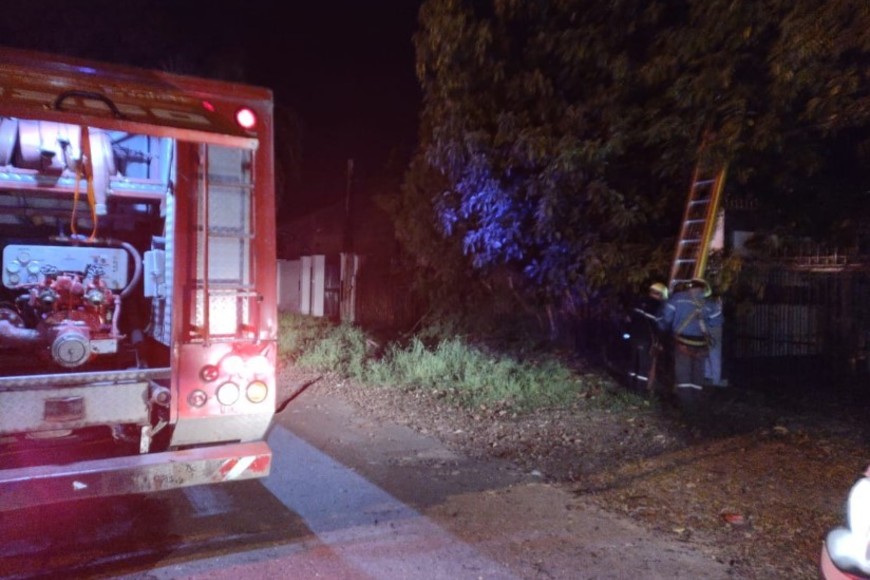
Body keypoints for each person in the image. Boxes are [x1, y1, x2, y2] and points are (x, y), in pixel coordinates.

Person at [657, 278, 723, 415]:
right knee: (697, 374)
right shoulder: (709, 303)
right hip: (701, 345)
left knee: (683, 374)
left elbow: (666, 318)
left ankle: (686, 407)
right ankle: (696, 405)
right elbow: (716, 322)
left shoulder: (677, 299)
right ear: (703, 289)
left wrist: (663, 330)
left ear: (689, 287)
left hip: (682, 343)